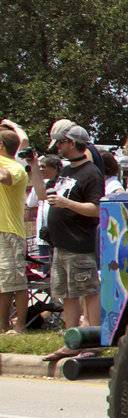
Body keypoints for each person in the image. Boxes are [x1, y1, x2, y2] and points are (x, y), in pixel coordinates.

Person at [30, 122, 104, 338]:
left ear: (70, 142)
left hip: (79, 245)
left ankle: (92, 338)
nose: (57, 149)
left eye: (60, 144)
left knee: (88, 292)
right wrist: (34, 165)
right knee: (67, 295)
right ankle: (70, 337)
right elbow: (43, 195)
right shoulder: (67, 170)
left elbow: (97, 209)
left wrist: (67, 203)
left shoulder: (91, 173)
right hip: (60, 246)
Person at [0, 124, 29, 333]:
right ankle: (2, 326)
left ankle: (20, 327)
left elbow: (5, 178)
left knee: (16, 282)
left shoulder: (16, 167)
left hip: (11, 232)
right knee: (3, 283)